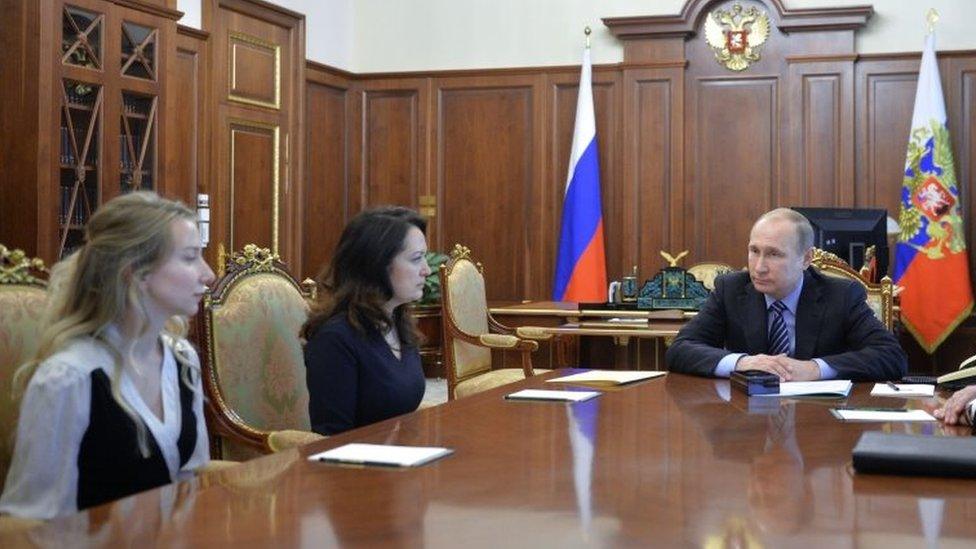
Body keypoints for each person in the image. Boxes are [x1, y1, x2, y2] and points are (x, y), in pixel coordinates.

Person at [0, 192, 215, 520]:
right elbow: (33, 522)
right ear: (137, 273)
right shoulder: (68, 377)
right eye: (189, 257)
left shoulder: (183, 359)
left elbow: (189, 482)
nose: (208, 273)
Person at [666, 208, 907, 381]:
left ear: (805, 259)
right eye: (754, 251)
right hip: (746, 425)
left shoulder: (841, 295)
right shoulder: (731, 289)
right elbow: (681, 349)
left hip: (820, 424)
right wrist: (743, 363)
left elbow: (892, 357)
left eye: (774, 254)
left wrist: (815, 369)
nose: (758, 266)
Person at [302, 206, 429, 435]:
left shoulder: (399, 322)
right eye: (416, 259)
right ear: (377, 264)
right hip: (357, 468)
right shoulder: (336, 340)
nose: (426, 270)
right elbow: (332, 438)